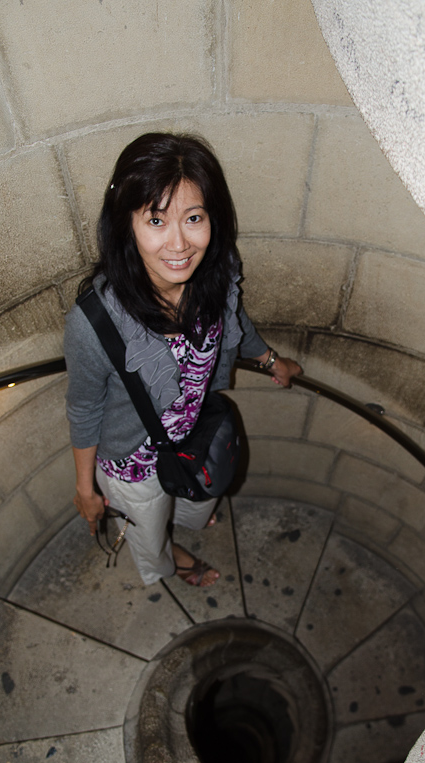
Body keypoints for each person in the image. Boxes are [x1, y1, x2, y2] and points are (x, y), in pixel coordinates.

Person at [64, 132, 302, 588]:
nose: (179, 244)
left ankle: (184, 518)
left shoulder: (215, 272)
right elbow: (84, 408)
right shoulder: (94, 322)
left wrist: (272, 360)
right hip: (134, 461)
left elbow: (235, 322)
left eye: (193, 218)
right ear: (126, 225)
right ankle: (166, 560)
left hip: (193, 430)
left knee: (198, 497)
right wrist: (85, 488)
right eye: (156, 220)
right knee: (148, 528)